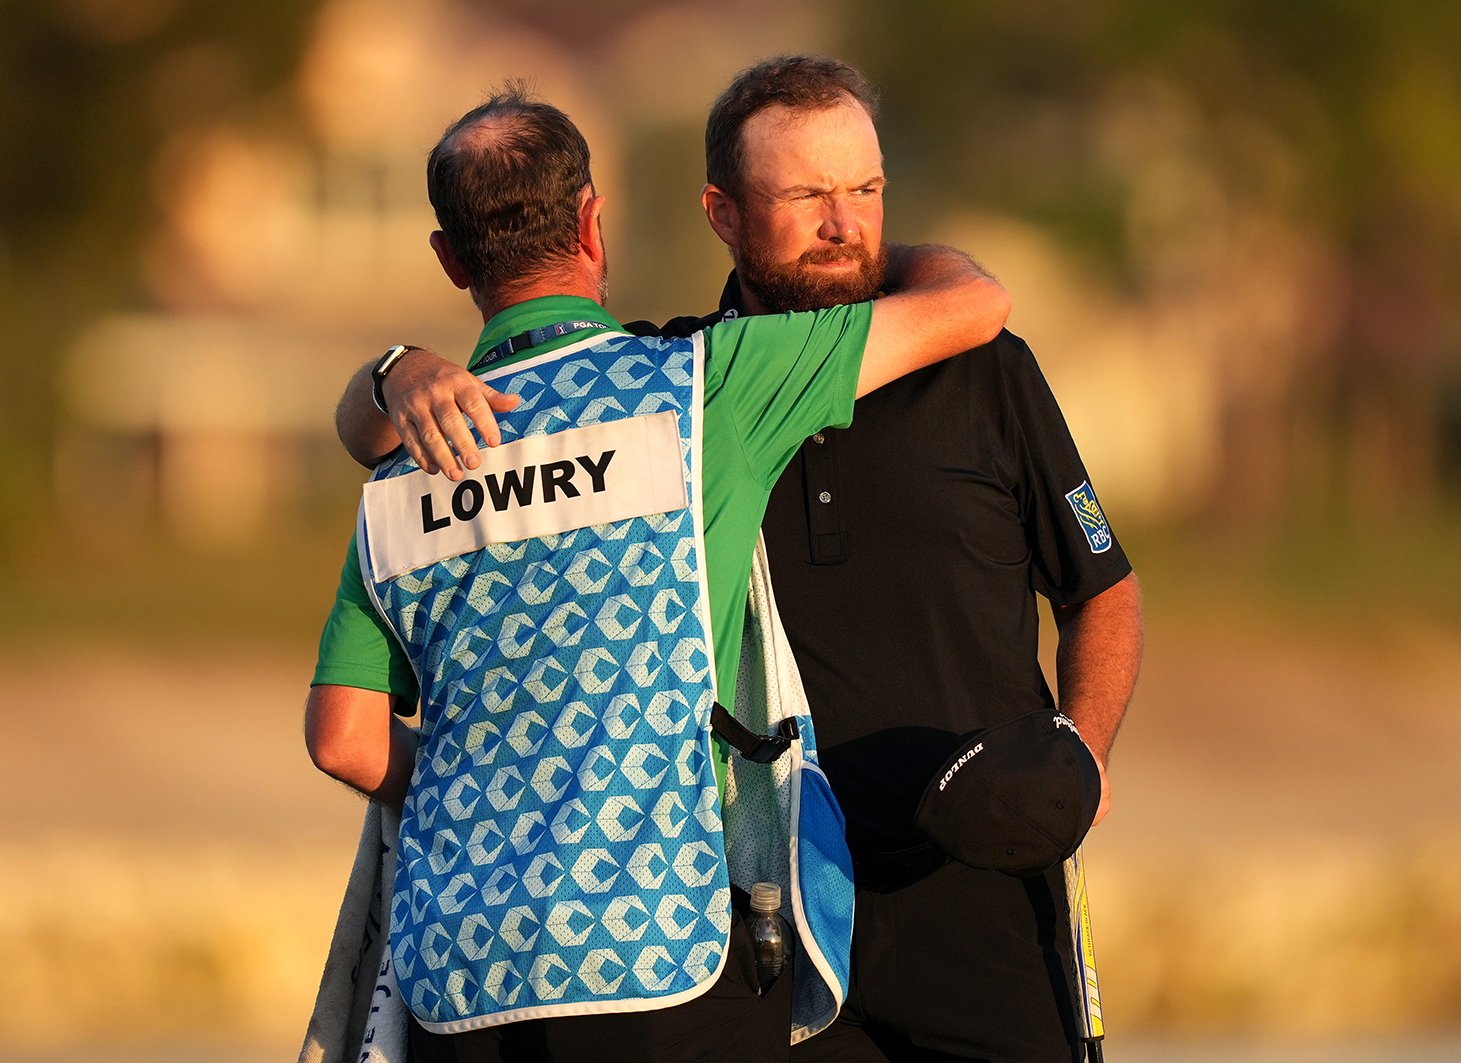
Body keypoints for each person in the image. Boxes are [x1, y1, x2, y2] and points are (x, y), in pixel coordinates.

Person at [336, 57, 1141, 1063]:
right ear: (720, 213)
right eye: (806, 196)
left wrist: (1086, 756)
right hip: (773, 911)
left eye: (866, 191)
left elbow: (1103, 587)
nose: (845, 225)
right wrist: (392, 373)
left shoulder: (987, 374)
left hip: (980, 889)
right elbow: (467, 423)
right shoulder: (676, 385)